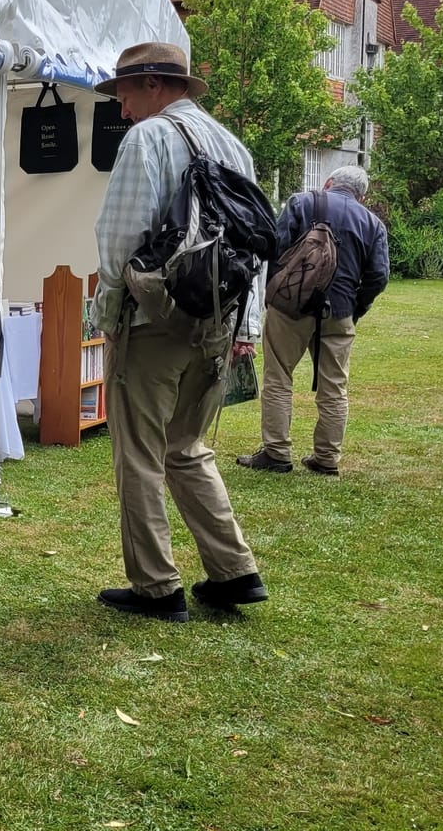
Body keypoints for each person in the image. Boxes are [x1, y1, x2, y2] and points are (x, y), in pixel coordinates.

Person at [91, 42, 266, 623]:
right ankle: (234, 571)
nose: (121, 108)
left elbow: (120, 240)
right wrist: (248, 324)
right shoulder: (232, 145)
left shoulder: (147, 139)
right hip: (219, 318)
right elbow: (256, 242)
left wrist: (109, 317)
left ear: (153, 85)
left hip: (153, 323)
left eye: (124, 93)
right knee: (187, 447)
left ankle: (156, 587)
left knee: (139, 455)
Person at [237, 165, 389, 477]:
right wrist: (355, 307)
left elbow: (274, 248)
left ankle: (276, 452)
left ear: (329, 182)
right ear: (362, 196)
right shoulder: (372, 224)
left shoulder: (302, 202)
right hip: (340, 310)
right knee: (334, 387)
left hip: (290, 307)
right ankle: (327, 458)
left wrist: (274, 291)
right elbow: (379, 275)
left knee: (278, 377)